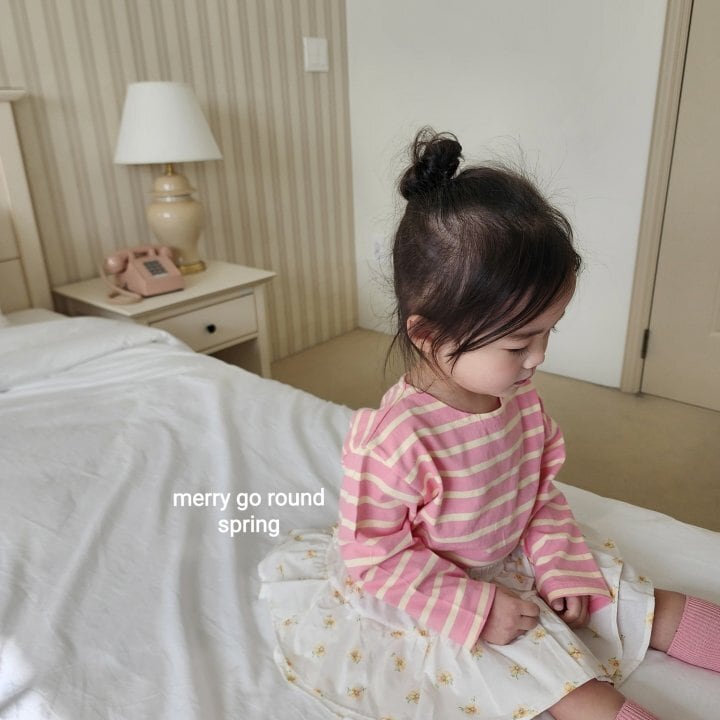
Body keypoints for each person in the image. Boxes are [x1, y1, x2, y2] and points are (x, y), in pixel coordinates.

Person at [259, 129, 720, 720]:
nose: (540, 358)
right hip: (439, 589)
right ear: (429, 336)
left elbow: (536, 493)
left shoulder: (516, 399)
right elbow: (375, 557)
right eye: (520, 343)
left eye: (548, 332)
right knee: (568, 685)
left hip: (515, 552)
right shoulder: (397, 440)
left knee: (642, 602)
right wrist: (475, 606)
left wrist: (560, 564)